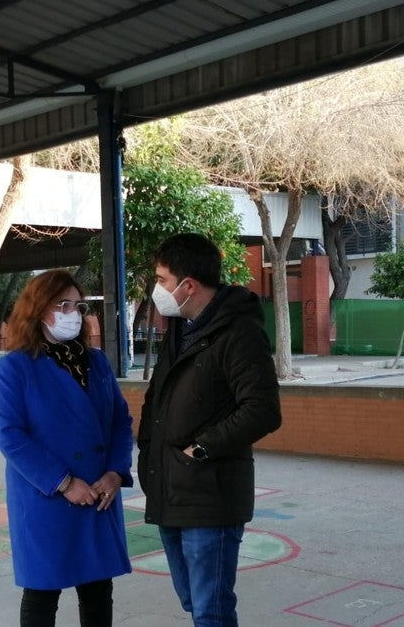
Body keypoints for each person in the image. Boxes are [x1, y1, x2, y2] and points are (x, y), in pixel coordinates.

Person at [137, 233, 282, 627]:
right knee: (194, 601)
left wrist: (200, 449)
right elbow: (157, 399)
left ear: (188, 285)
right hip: (169, 489)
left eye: (163, 279)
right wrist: (147, 451)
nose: (158, 289)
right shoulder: (181, 330)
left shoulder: (238, 333)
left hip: (210, 494)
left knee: (210, 609)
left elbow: (263, 410)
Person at [0, 269, 134, 627]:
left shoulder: (96, 361)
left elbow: (120, 421)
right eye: (62, 305)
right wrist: (65, 483)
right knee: (42, 593)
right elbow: (10, 436)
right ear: (38, 310)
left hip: (99, 492)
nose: (73, 313)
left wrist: (116, 472)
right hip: (47, 496)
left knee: (98, 590)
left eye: (78, 305)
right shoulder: (16, 368)